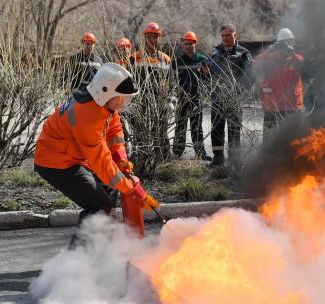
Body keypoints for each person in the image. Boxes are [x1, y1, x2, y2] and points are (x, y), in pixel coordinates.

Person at [34, 63, 159, 246]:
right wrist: (135, 191)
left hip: (72, 157)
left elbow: (114, 132)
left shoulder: (104, 104)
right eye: (123, 98)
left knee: (107, 193)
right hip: (55, 163)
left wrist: (122, 160)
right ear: (106, 92)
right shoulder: (87, 115)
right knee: (100, 205)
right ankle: (77, 259)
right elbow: (102, 162)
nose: (125, 103)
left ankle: (96, 246)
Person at [208, 23, 253, 166]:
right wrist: (205, 72)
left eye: (228, 35)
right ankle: (218, 159)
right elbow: (210, 73)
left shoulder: (243, 53)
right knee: (216, 128)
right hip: (217, 98)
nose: (225, 38)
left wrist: (238, 91)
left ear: (235, 35)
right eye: (223, 36)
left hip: (234, 99)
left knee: (234, 130)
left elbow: (251, 76)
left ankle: (234, 160)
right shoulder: (215, 53)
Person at [129, 22, 172, 161]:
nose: (152, 40)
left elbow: (171, 82)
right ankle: (141, 158)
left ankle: (163, 160)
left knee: (160, 130)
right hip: (140, 101)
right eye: (149, 37)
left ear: (158, 38)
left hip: (160, 101)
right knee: (140, 131)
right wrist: (130, 101)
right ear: (144, 38)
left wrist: (171, 101)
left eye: (155, 37)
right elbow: (129, 82)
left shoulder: (165, 59)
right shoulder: (134, 58)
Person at [253, 28, 303, 144]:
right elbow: (255, 65)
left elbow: (307, 68)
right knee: (269, 141)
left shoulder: (296, 59)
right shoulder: (270, 58)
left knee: (293, 140)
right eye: (284, 43)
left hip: (292, 107)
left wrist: (293, 53)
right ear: (278, 44)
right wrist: (269, 51)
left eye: (290, 42)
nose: (287, 46)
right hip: (272, 106)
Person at [171, 31, 212, 161]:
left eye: (191, 43)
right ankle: (177, 152)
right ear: (183, 45)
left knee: (197, 127)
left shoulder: (202, 59)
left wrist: (205, 74)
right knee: (180, 125)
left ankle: (200, 153)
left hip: (196, 97)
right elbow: (171, 80)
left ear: (195, 43)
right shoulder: (177, 61)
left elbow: (208, 79)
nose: (188, 46)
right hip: (182, 98)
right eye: (186, 44)